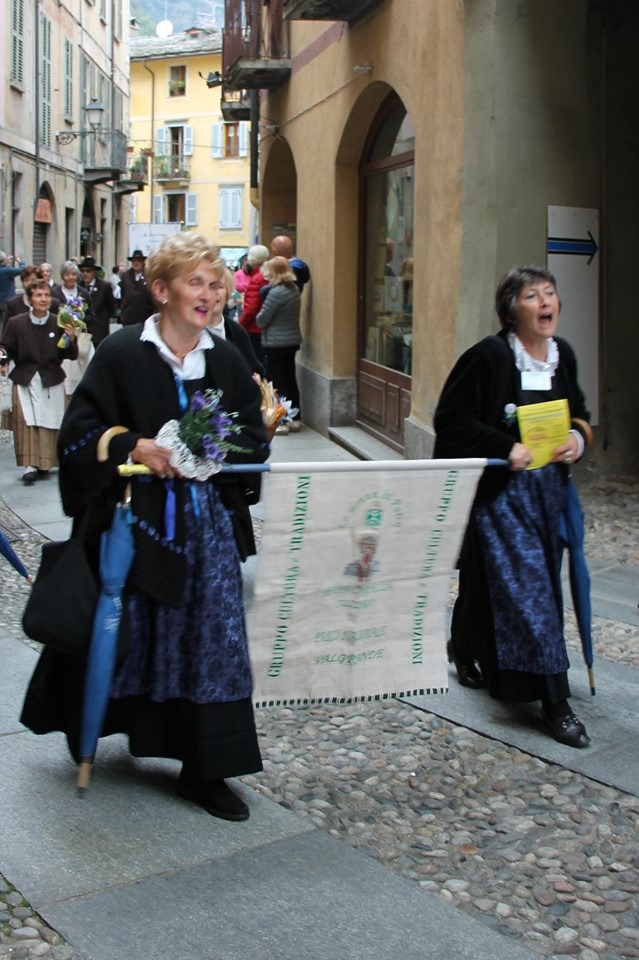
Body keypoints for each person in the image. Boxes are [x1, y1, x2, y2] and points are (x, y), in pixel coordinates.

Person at [20, 232, 269, 822]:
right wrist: (134, 445)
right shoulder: (123, 353)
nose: (208, 294)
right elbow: (79, 434)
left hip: (206, 532)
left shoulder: (227, 357)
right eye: (194, 283)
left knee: (212, 640)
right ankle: (108, 725)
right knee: (130, 632)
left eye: (215, 284)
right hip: (135, 524)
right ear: (161, 290)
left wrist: (216, 450)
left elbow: (253, 436)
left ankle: (206, 769)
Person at [434, 265, 593, 749]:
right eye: (531, 295)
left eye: (550, 292)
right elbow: (451, 420)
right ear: (511, 309)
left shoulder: (562, 356)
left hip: (549, 496)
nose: (545, 302)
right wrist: (506, 447)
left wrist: (576, 439)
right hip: (502, 497)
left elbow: (580, 415)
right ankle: (554, 701)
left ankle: (465, 644)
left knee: (495, 580)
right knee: (533, 594)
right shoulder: (488, 357)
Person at [0, 279, 78, 483]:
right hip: (25, 379)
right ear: (29, 299)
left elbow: (70, 354)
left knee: (50, 423)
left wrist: (70, 339)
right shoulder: (16, 323)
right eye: (38, 295)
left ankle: (46, 462)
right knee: (27, 422)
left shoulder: (59, 322)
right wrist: (2, 359)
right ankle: (29, 465)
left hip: (51, 378)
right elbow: (5, 347)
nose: (43, 299)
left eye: (46, 295)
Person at [256, 256, 302, 434]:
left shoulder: (276, 293)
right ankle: (295, 419)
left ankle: (280, 420)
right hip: (291, 341)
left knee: (276, 383)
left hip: (276, 343)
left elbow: (262, 319)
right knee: (290, 380)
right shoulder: (294, 289)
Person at [210, 264, 265, 378]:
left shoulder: (236, 331)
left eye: (220, 286)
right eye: (210, 286)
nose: (215, 292)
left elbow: (254, 369)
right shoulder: (189, 332)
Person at [238, 244, 269, 365]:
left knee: (256, 360)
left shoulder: (257, 279)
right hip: (265, 326)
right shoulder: (268, 275)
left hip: (254, 328)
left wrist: (241, 325)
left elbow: (251, 308)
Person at [79, 256, 115, 346]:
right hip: (83, 331)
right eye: (83, 271)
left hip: (100, 331)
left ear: (94, 272)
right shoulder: (78, 287)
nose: (85, 274)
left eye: (88, 271)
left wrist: (104, 319)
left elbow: (111, 306)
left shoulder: (105, 286)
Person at [120, 249, 147, 318]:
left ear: (143, 262)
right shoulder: (125, 275)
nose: (136, 263)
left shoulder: (148, 275)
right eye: (134, 261)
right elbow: (122, 293)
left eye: (138, 261)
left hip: (144, 315)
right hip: (128, 315)